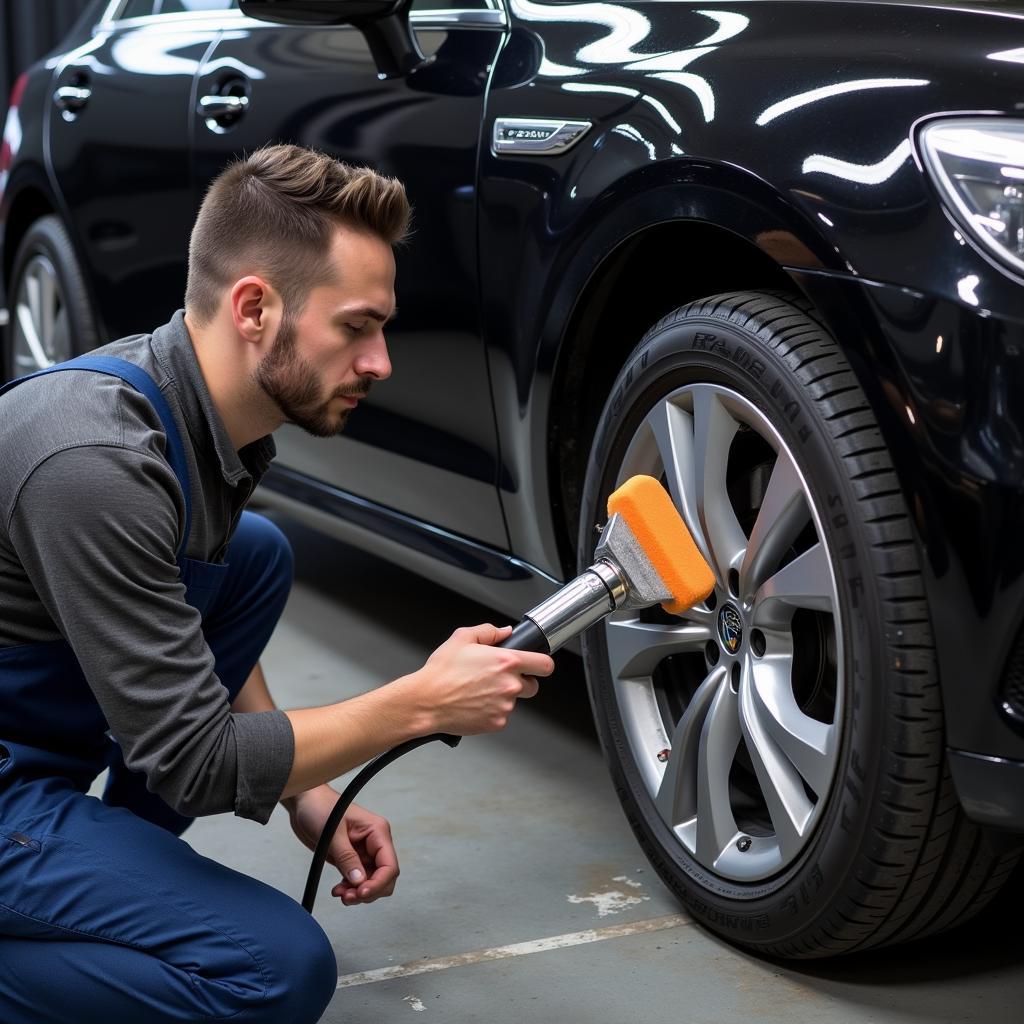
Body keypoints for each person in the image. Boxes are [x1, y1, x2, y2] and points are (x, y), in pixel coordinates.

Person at [0, 144, 554, 1023]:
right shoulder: (96, 460)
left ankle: (97, 877)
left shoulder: (196, 415)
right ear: (255, 307)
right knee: (275, 971)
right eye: (355, 327)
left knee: (254, 555)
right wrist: (419, 702)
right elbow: (196, 764)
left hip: (34, 766)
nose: (380, 362)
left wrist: (310, 794)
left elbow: (194, 623)